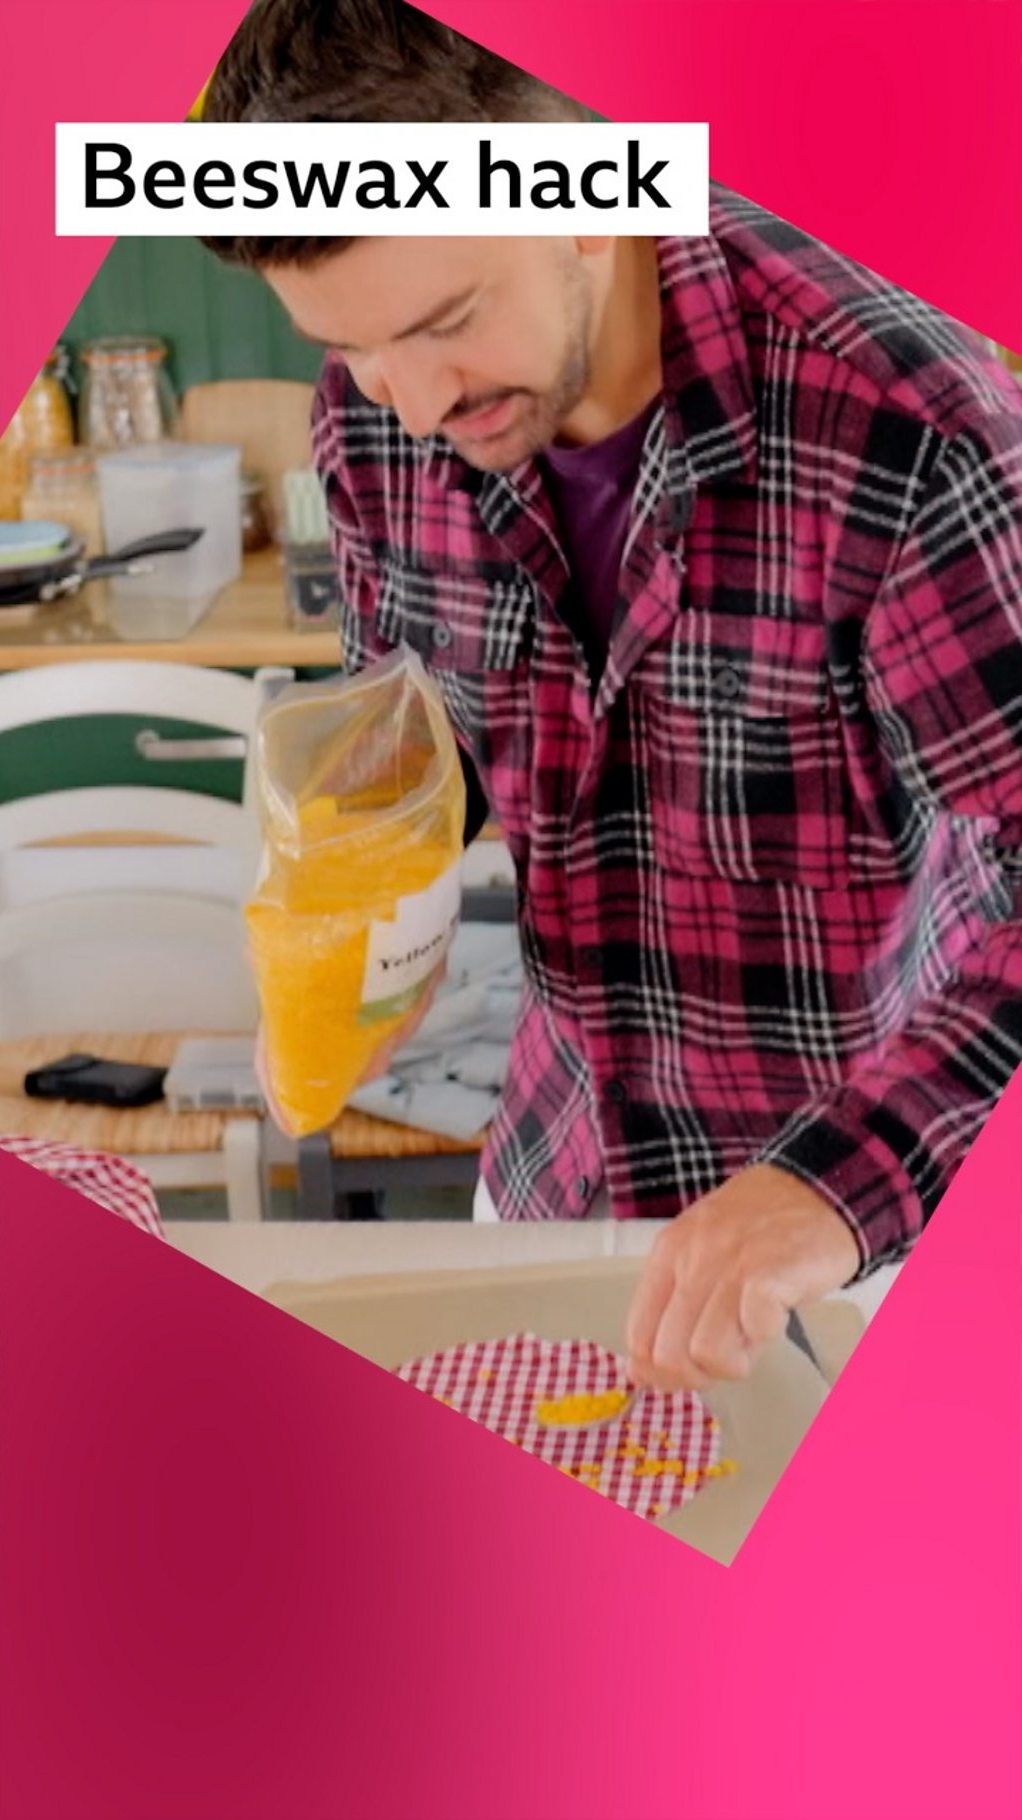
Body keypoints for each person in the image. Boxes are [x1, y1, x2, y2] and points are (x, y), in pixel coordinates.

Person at [203, 0, 1022, 1389]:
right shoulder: (378, 421)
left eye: (445, 322)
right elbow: (440, 734)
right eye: (350, 345)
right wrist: (365, 889)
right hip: (551, 1184)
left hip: (846, 1250)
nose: (403, 403)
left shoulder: (912, 428)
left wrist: (831, 1187)